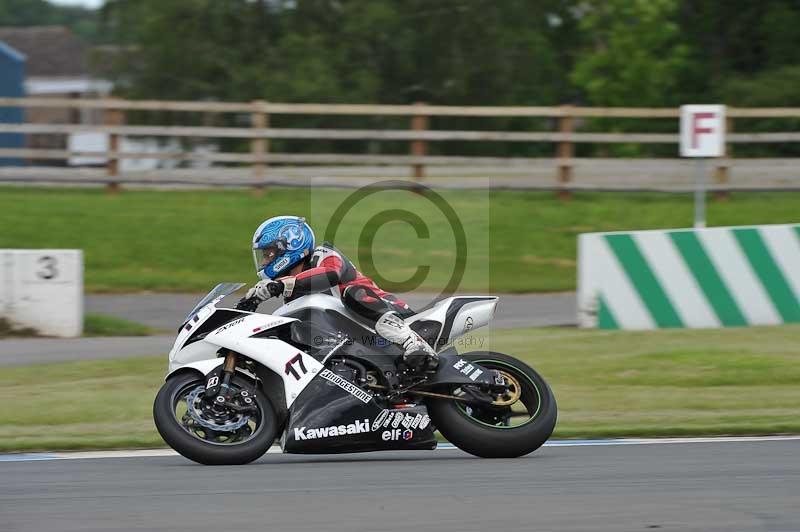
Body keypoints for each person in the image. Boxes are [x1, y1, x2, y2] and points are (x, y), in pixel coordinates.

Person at [240, 215, 438, 371]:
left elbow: (330, 274)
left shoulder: (323, 254)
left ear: (290, 246)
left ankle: (412, 342)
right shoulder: (292, 296)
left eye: (268, 254)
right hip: (360, 342)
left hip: (397, 316)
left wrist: (280, 284)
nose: (265, 261)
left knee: (353, 293)